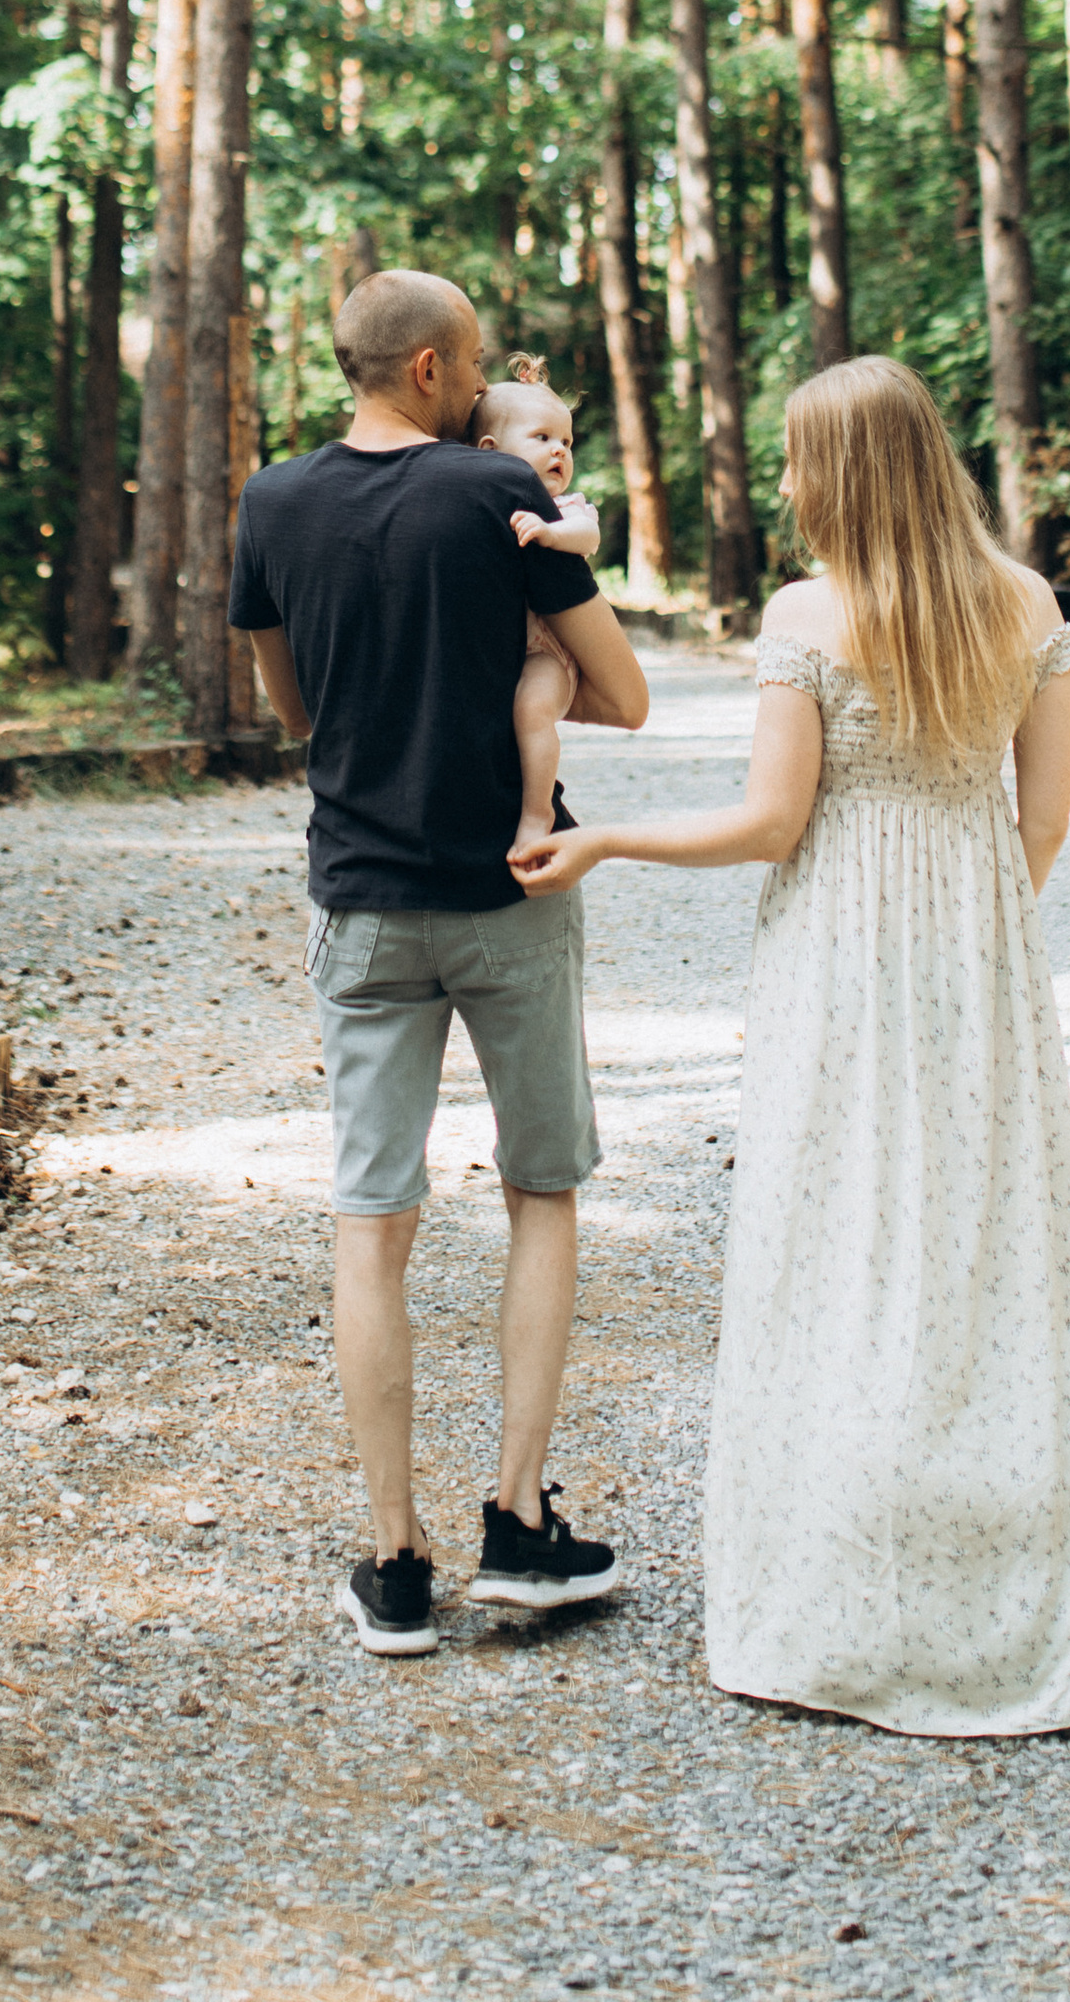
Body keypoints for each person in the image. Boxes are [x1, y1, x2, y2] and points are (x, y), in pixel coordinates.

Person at [518, 354, 1070, 1737]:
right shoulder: (1027, 603)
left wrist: (607, 839)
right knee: (981, 1250)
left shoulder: (810, 612)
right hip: (981, 953)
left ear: (842, 472)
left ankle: (843, 1591)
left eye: (800, 458)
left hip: (838, 957)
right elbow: (1042, 820)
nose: (788, 482)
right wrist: (976, 933)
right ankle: (1003, 1589)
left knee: (838, 1240)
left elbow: (770, 822)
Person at [231, 267, 651, 1660]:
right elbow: (624, 693)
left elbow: (292, 704)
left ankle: (396, 1561)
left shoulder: (271, 503)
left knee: (372, 1221)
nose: (482, 393)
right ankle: (519, 1524)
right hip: (509, 895)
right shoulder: (496, 494)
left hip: (361, 904)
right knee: (542, 1192)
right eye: (472, 369)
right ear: (427, 369)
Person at [469, 356, 602, 856]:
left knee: (531, 710)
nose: (560, 451)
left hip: (550, 651)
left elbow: (587, 535)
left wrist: (550, 532)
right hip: (505, 647)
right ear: (490, 451)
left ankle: (537, 810)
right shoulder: (479, 506)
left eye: (566, 441)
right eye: (542, 438)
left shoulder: (563, 509)